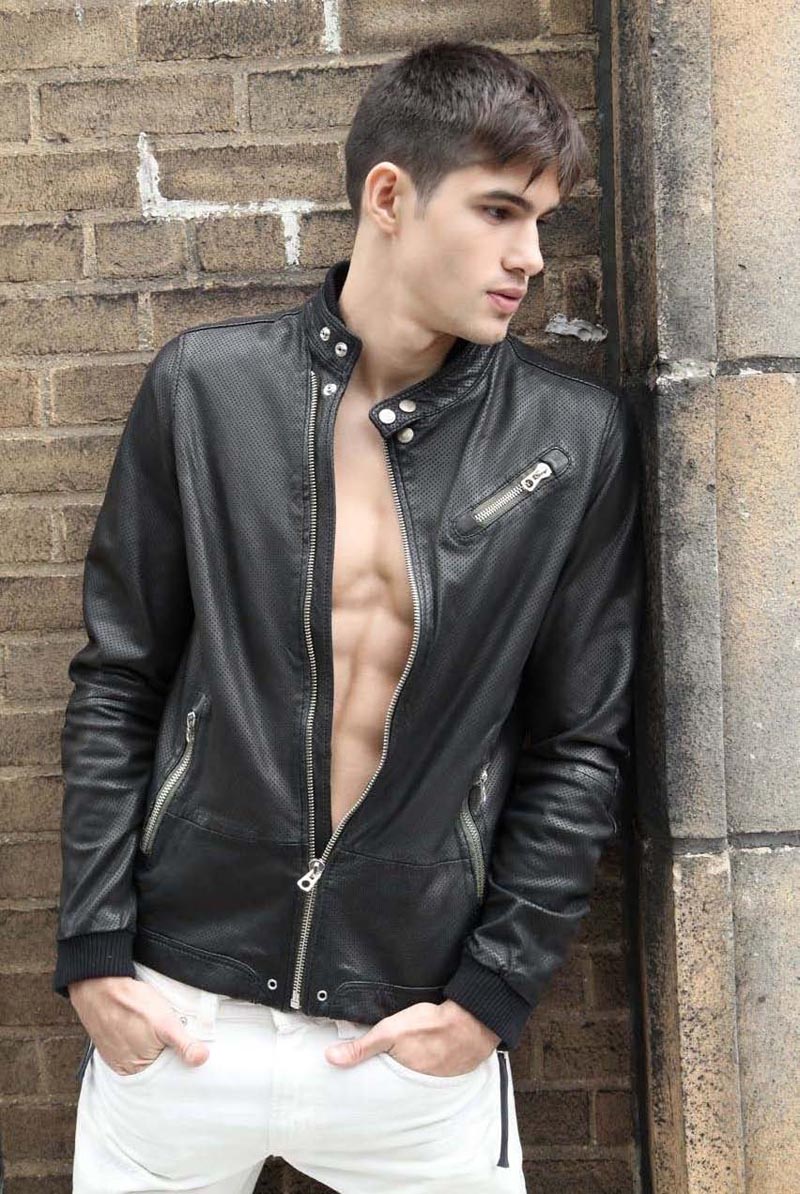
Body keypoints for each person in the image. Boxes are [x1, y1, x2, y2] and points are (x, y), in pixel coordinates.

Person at [53, 39, 644, 1194]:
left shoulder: (568, 441)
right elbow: (119, 679)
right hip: (176, 1018)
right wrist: (91, 951)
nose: (529, 256)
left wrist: (488, 1000)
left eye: (540, 223)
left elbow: (579, 744)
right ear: (387, 196)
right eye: (498, 211)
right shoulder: (205, 391)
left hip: (408, 1038)